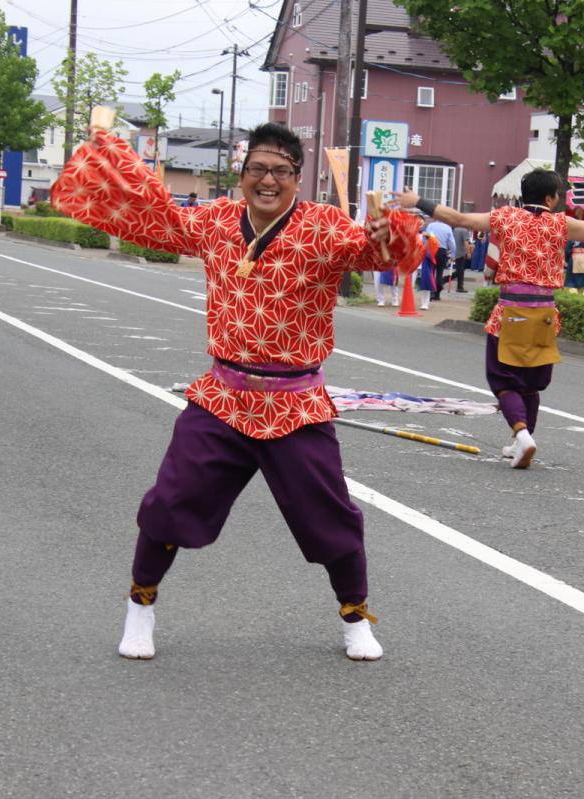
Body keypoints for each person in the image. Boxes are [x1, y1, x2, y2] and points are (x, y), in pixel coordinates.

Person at [49, 114, 423, 662]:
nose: (267, 180)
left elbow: (384, 255)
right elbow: (154, 215)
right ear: (242, 174)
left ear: (298, 177)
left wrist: (388, 228)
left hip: (294, 403)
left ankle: (355, 617)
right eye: (257, 169)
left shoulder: (325, 226)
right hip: (223, 397)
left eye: (280, 171)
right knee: (169, 504)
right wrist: (110, 156)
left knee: (331, 517)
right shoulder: (217, 220)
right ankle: (140, 606)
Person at [397, 168, 584, 468]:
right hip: (544, 312)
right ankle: (521, 437)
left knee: (504, 381)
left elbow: (458, 218)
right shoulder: (561, 224)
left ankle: (521, 434)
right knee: (530, 384)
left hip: (511, 311)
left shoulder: (504, 217)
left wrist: (418, 200)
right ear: (550, 198)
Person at [425, 216, 454, 299]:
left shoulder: (430, 225)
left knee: (431, 271)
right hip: (442, 251)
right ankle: (437, 293)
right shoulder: (448, 227)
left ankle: (431, 292)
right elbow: (452, 242)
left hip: (432, 250)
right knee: (440, 272)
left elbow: (426, 237)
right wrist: (453, 254)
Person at [452, 223, 472, 293]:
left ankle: (459, 286)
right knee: (460, 271)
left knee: (460, 270)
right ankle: (459, 286)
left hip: (455, 252)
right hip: (461, 252)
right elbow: (466, 243)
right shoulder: (464, 231)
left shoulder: (455, 229)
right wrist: (468, 252)